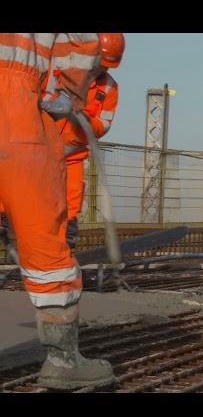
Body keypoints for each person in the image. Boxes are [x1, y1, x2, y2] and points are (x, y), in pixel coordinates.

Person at [0, 33, 118, 389]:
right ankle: (62, 359)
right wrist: (68, 94)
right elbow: (81, 40)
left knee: (55, 226)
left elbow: (100, 124)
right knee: (45, 241)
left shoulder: (108, 88)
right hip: (20, 111)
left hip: (63, 147)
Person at [44, 33, 123, 248]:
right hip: (39, 150)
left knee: (69, 204)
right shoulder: (61, 69)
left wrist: (84, 119)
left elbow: (103, 125)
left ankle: (66, 238)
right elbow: (40, 96)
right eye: (100, 64)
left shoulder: (108, 88)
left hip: (72, 156)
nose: (101, 70)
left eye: (106, 66)